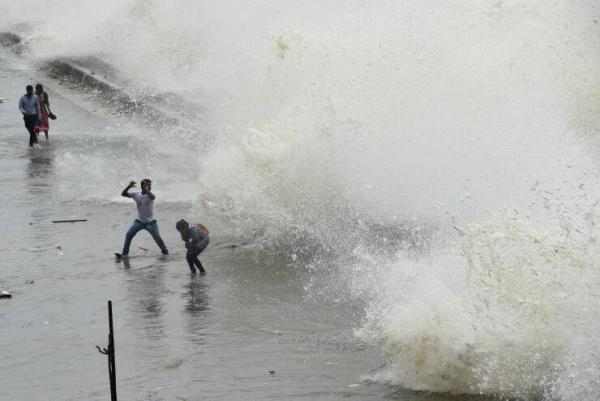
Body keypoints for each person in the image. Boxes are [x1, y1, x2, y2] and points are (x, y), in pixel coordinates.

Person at [115, 179, 169, 259]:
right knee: (129, 234)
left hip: (151, 222)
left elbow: (153, 197)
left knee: (157, 237)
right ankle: (124, 254)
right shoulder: (136, 194)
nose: (149, 187)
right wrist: (129, 186)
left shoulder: (150, 195)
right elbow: (123, 194)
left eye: (150, 185)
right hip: (139, 221)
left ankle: (165, 251)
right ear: (142, 186)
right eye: (147, 185)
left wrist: (147, 190)